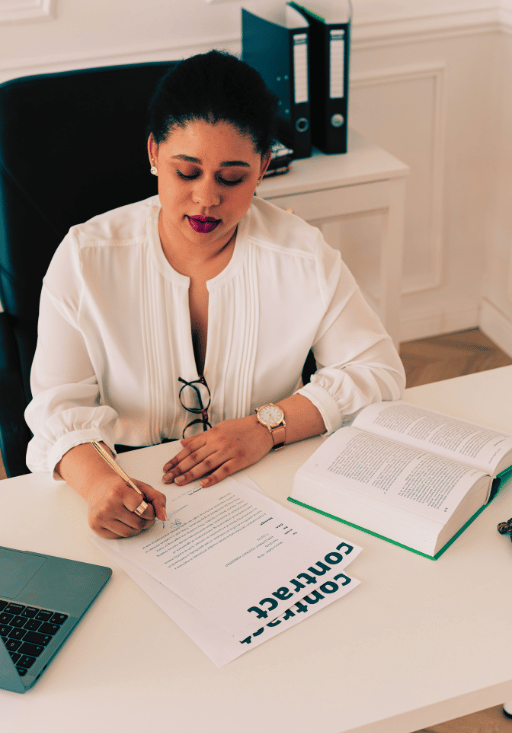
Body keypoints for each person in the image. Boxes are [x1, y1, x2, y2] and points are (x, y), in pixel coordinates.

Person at [25, 50, 405, 540]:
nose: (206, 199)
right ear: (153, 153)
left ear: (263, 167)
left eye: (232, 178)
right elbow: (57, 407)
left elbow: (378, 372)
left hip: (268, 486)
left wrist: (267, 426)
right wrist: (100, 484)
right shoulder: (85, 257)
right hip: (131, 485)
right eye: (187, 172)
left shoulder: (303, 256)